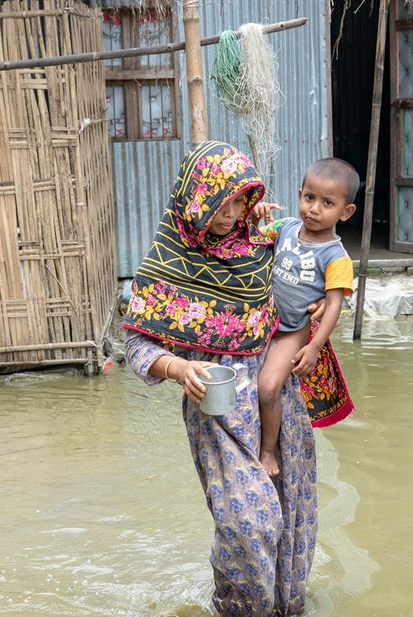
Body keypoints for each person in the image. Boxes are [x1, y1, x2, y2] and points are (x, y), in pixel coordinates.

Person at [122, 141, 317, 615]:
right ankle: (236, 608)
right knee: (249, 523)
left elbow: (314, 270)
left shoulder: (264, 245)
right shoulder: (167, 262)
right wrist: (179, 367)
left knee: (290, 519)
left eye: (241, 200)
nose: (231, 213)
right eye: (221, 201)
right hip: (217, 409)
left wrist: (314, 304)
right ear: (195, 199)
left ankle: (285, 609)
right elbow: (136, 347)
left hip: (278, 400)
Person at [252, 159, 359, 477]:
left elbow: (334, 305)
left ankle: (269, 450)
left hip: (290, 331)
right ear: (300, 194)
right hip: (261, 320)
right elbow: (252, 241)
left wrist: (313, 347)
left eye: (328, 203)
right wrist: (255, 215)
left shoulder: (336, 257)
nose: (314, 209)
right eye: (309, 197)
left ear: (345, 212)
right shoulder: (284, 228)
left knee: (268, 387)